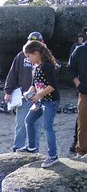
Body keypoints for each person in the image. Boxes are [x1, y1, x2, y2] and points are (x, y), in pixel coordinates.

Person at [17, 40, 60, 168]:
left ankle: (53, 156)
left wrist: (38, 96)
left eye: (28, 56)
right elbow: (34, 85)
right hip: (40, 101)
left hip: (50, 101)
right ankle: (31, 147)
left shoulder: (46, 66)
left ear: (36, 53)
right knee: (29, 120)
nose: (28, 59)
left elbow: (53, 86)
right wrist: (28, 94)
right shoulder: (35, 67)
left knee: (47, 127)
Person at [4, 31, 43, 152]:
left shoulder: (45, 57)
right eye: (31, 41)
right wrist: (8, 91)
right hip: (24, 97)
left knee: (36, 125)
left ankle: (34, 149)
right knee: (21, 124)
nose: (33, 43)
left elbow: (53, 73)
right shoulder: (21, 56)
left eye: (36, 42)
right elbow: (12, 74)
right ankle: (17, 148)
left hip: (40, 97)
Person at [68, 38, 87, 158]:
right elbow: (71, 68)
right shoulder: (80, 50)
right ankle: (81, 151)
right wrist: (78, 84)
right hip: (85, 92)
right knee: (83, 123)